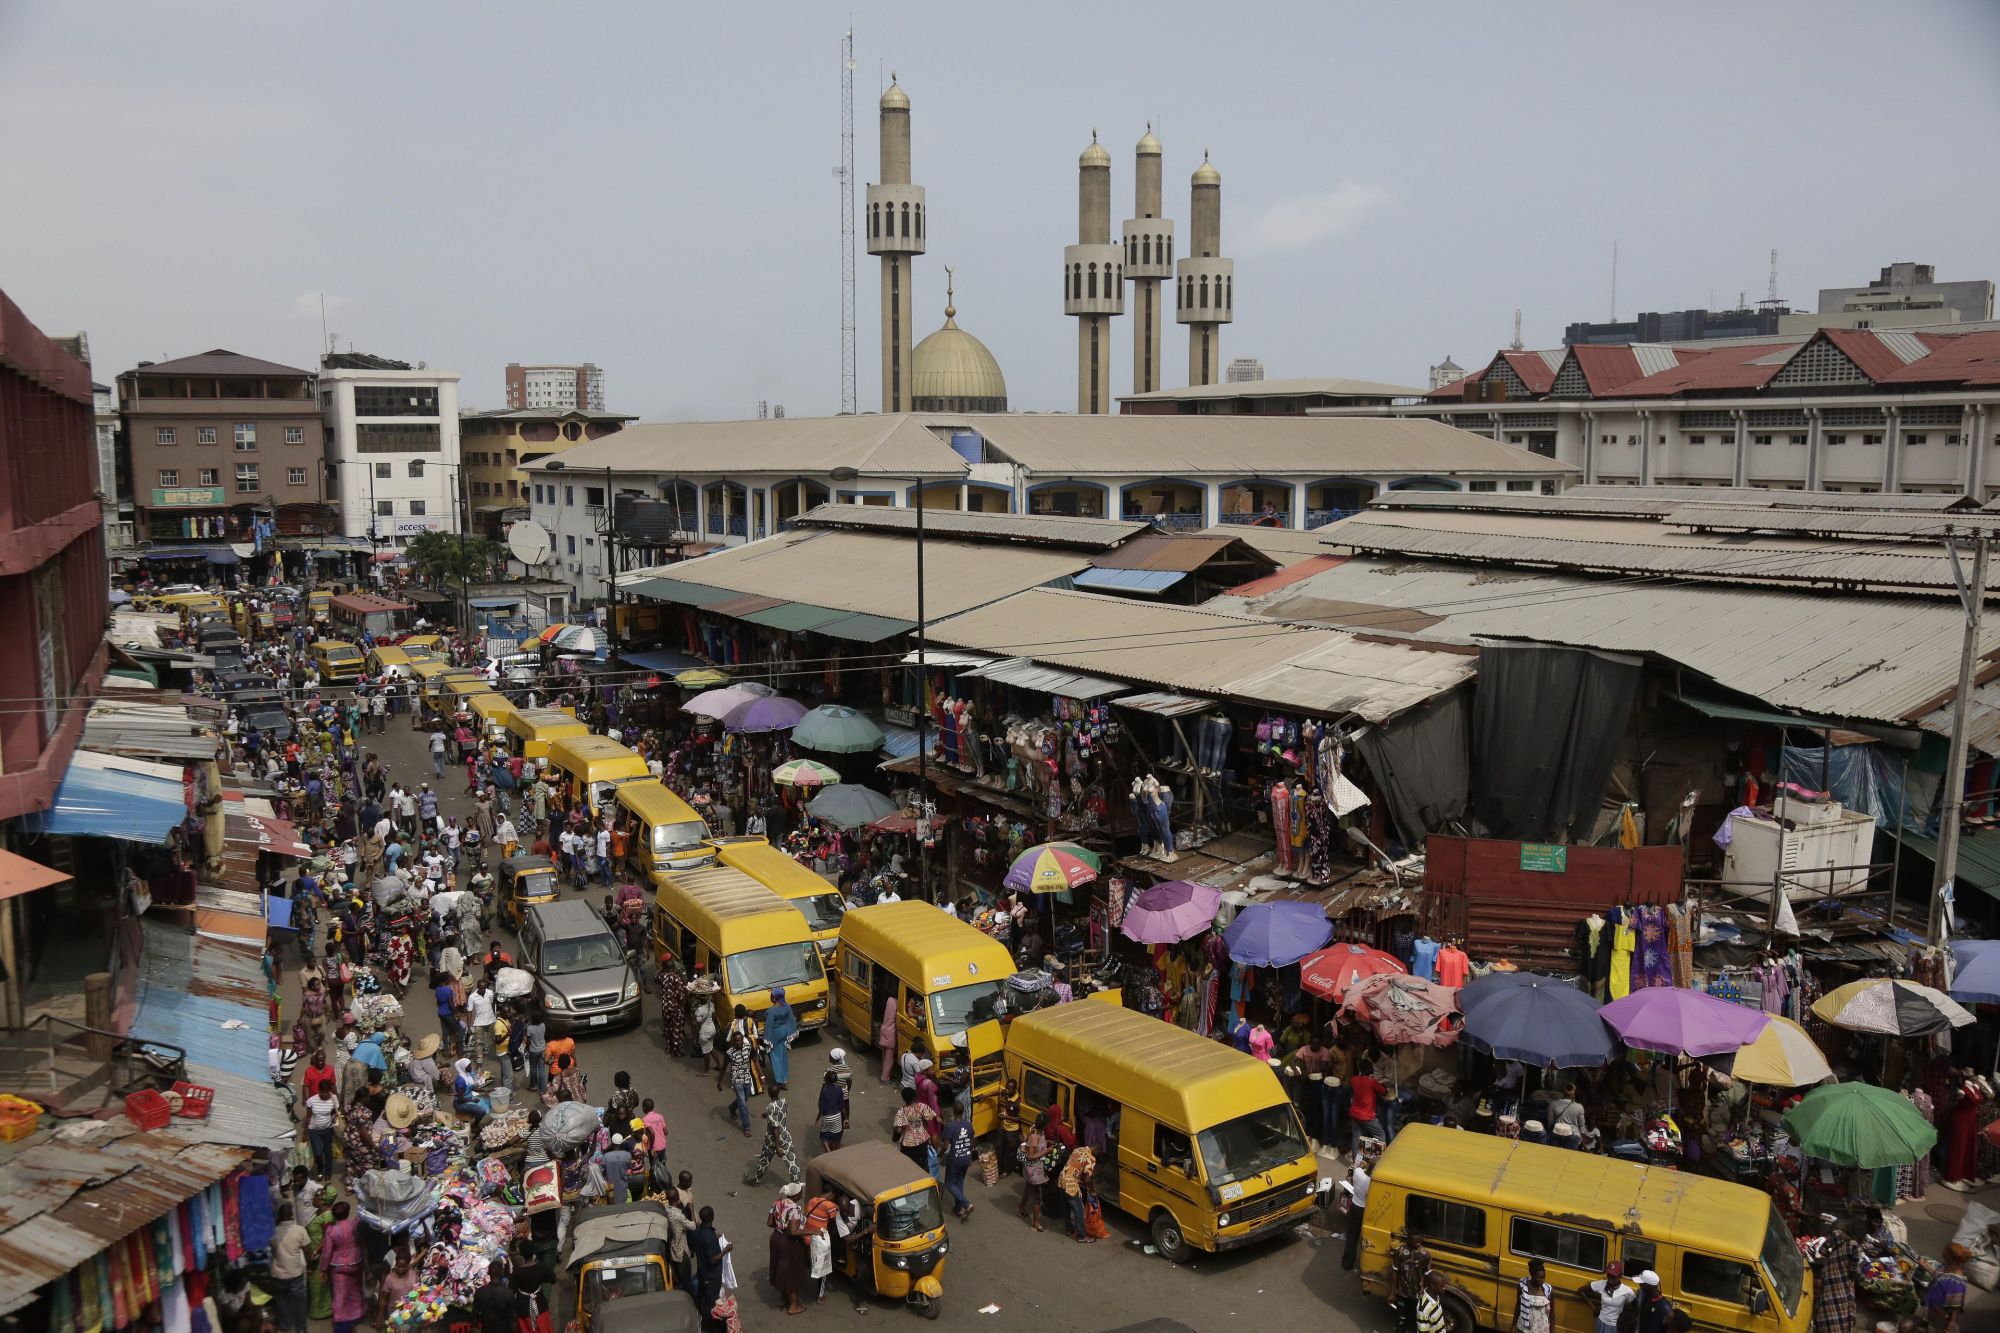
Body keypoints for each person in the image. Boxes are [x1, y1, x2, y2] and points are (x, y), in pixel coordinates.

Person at [318, 1201, 366, 1333]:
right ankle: (357, 1313)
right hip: (355, 1261)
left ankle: (339, 1318)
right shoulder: (354, 1225)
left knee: (340, 1293)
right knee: (355, 1288)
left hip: (338, 1265)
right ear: (347, 1212)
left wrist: (323, 1269)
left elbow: (327, 1252)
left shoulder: (331, 1230)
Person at [745, 1083, 801, 1186]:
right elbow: (780, 1112)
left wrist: (777, 1145)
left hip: (773, 1139)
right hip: (785, 1135)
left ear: (769, 1094)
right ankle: (796, 1183)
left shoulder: (770, 1107)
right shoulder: (783, 1101)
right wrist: (767, 1114)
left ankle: (756, 1179)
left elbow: (775, 1128)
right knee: (791, 1160)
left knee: (765, 1159)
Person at [767, 1182, 809, 1317]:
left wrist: (780, 1225)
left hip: (776, 1238)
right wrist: (815, 1232)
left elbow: (769, 1223)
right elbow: (794, 1231)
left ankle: (783, 1297)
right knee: (792, 1272)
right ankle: (793, 1305)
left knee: (781, 1268)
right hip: (789, 1243)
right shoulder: (794, 1209)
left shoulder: (777, 1202)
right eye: (800, 1191)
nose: (802, 1192)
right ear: (796, 1195)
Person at [268, 1204, 311, 1333]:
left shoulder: (272, 1232)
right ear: (291, 1214)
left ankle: (287, 1326)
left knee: (282, 1302)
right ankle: (301, 1329)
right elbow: (307, 1250)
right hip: (295, 1273)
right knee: (299, 1303)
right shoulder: (299, 1230)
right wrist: (308, 1267)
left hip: (278, 1274)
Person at [1810, 1225, 1859, 1333]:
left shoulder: (1835, 1238)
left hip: (1829, 1281)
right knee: (1843, 1312)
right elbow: (1853, 1270)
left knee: (1827, 1306)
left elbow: (1822, 1250)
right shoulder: (1852, 1245)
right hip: (1843, 1285)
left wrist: (1831, 1255)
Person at [692, 1207, 729, 1332]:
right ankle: (708, 1327)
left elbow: (700, 1245)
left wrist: (715, 1237)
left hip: (702, 1272)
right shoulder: (708, 1236)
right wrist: (726, 1250)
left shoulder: (698, 1231)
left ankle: (702, 1316)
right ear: (712, 1217)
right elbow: (713, 1259)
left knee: (701, 1296)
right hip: (711, 1275)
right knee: (710, 1303)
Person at [1390, 1230, 1433, 1333]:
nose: (1417, 1244)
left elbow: (1428, 1275)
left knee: (1418, 1319)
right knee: (1401, 1319)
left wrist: (1428, 1296)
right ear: (1409, 1240)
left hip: (1418, 1294)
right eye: (1415, 1242)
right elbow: (1395, 1273)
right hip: (1402, 1292)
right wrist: (1392, 1293)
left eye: (1419, 1242)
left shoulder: (1425, 1254)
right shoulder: (1400, 1251)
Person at [939, 1102, 977, 1221]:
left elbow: (945, 1146)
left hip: (955, 1159)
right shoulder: (968, 1124)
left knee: (949, 1183)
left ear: (953, 1112)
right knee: (959, 1181)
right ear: (963, 1111)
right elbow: (971, 1139)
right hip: (966, 1158)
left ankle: (966, 1204)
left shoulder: (950, 1126)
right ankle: (958, 1208)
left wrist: (939, 1155)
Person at [893, 1085, 939, 1173]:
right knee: (923, 1167)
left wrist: (896, 1133)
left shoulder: (901, 1112)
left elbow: (898, 1130)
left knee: (908, 1169)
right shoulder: (922, 1107)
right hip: (922, 1143)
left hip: (907, 1146)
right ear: (915, 1096)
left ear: (904, 1099)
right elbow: (933, 1118)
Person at [1339, 1151, 1373, 1270]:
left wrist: (1364, 1163)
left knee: (1352, 1236)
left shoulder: (1358, 1173)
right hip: (1365, 1210)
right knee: (1367, 1240)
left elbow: (1358, 1166)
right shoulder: (1372, 1183)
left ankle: (1347, 1263)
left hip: (1354, 1207)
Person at [1058, 1140, 1096, 1242]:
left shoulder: (1078, 1149)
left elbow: (1077, 1166)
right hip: (1071, 1185)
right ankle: (1082, 1236)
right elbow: (1087, 1178)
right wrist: (1091, 1190)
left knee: (1066, 1208)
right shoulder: (1091, 1159)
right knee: (1079, 1210)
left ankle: (1069, 1230)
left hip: (1061, 1179)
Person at [1582, 1261, 1637, 1333]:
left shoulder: (1627, 1291)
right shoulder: (1601, 1284)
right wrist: (1593, 1308)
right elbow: (1581, 1291)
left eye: (1613, 1277)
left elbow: (1635, 1307)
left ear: (1620, 1276)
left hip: (1617, 1326)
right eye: (1608, 1275)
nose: (1610, 1280)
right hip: (1601, 1322)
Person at [1925, 1243, 1969, 1333]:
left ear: (1953, 1258)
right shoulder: (1947, 1266)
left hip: (1944, 1318)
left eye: (1946, 1256)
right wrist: (1926, 1267)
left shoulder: (1956, 1280)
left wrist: (1951, 1323)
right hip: (1935, 1312)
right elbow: (1939, 1275)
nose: (1944, 1257)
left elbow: (1955, 1305)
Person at [1018, 1112, 1050, 1231]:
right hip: (1034, 1170)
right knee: (1038, 1197)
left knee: (1028, 1189)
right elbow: (1031, 1156)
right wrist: (1045, 1152)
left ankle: (1020, 1208)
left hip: (1035, 1168)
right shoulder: (1034, 1136)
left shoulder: (1037, 1131)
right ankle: (1035, 1224)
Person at [1349, 1058, 1388, 1152]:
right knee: (1380, 1135)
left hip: (1354, 1113)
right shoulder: (1372, 1082)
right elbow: (1384, 1092)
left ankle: (1356, 1163)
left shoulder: (1353, 1080)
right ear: (1370, 1069)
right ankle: (1378, 1160)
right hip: (1367, 1115)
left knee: (1356, 1137)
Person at [764, 987, 799, 1087]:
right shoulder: (787, 1007)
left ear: (774, 998)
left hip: (775, 1034)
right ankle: (784, 1078)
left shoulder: (772, 1011)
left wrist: (766, 1039)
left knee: (775, 1057)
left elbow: (769, 1026)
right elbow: (791, 1020)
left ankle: (779, 1080)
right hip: (784, 1032)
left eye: (771, 995)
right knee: (783, 1055)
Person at [376, 1247, 418, 1330]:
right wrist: (379, 1318)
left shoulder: (414, 1275)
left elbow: (417, 1292)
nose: (400, 1269)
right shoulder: (390, 1278)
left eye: (403, 1266)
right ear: (396, 1263)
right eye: (398, 1266)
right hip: (394, 1315)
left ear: (408, 1264)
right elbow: (384, 1299)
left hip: (410, 1313)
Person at [303, 1083, 339, 1179]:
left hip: (328, 1129)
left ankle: (328, 1173)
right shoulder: (312, 1100)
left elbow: (336, 1112)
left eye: (326, 1092)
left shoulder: (333, 1098)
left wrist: (334, 1121)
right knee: (318, 1153)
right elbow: (308, 1116)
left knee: (328, 1152)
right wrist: (305, 1132)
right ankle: (319, 1168)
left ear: (329, 1091)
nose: (324, 1094)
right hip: (314, 1130)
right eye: (322, 1092)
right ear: (319, 1091)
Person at [725, 1029, 755, 1138]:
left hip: (746, 1077)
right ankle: (746, 1128)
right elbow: (724, 1068)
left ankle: (732, 1108)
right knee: (743, 1105)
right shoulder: (729, 1053)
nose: (739, 1042)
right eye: (736, 1041)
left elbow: (754, 1060)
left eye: (740, 1040)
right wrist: (719, 1082)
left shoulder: (748, 1048)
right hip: (736, 1078)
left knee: (746, 1097)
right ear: (733, 1042)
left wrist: (761, 1076)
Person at [471, 1261, 514, 1333]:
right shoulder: (508, 1293)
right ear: (502, 1273)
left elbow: (475, 1315)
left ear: (488, 1273)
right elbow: (512, 1319)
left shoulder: (480, 1292)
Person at [1517, 1258, 1554, 1333]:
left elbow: (1552, 1312)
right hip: (1524, 1327)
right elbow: (1518, 1306)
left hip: (1541, 1329)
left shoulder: (1547, 1290)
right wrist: (1513, 1325)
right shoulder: (1522, 1286)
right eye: (1539, 1278)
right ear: (1532, 1276)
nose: (1542, 1280)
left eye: (1543, 1277)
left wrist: (1552, 1329)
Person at [817, 1068, 849, 1152]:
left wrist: (817, 1118)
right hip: (837, 1117)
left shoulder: (824, 1091)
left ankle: (828, 1151)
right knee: (835, 1137)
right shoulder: (839, 1090)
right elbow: (842, 1106)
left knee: (823, 1136)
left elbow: (822, 1108)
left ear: (826, 1080)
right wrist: (845, 1118)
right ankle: (833, 1154)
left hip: (827, 1117)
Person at [876, 994, 898, 1083]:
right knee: (889, 1060)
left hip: (884, 1029)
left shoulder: (889, 1000)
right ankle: (885, 1078)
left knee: (884, 1056)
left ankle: (884, 1072)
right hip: (890, 1034)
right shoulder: (897, 1003)